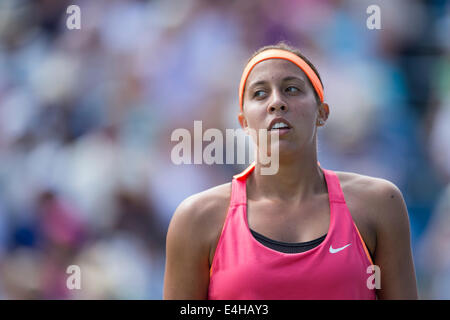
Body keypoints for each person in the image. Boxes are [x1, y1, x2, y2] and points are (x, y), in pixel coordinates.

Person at [163, 42, 418, 300]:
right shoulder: (196, 219)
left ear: (322, 113)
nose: (276, 102)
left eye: (292, 89)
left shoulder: (380, 204)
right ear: (244, 122)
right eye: (260, 94)